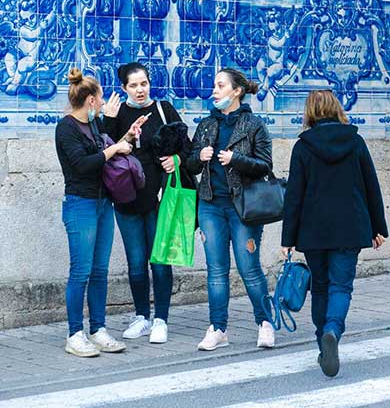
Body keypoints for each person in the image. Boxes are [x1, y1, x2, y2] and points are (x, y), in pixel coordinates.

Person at [281, 89, 388, 378]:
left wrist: (287, 239)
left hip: (313, 231)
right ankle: (333, 330)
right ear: (336, 108)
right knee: (341, 287)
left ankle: (322, 344)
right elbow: (370, 187)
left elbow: (294, 196)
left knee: (321, 287)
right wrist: (378, 228)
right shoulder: (355, 142)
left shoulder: (302, 147)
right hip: (350, 227)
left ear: (310, 113)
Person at [103, 62, 191, 344]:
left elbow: (187, 148)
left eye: (144, 84)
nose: (140, 90)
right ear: (123, 88)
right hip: (126, 200)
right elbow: (105, 153)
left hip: (159, 199)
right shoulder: (117, 114)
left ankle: (161, 319)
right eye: (133, 85)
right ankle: (142, 316)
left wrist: (176, 159)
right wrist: (114, 125)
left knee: (160, 261)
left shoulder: (164, 110)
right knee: (136, 263)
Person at [187, 68, 275, 351]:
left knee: (249, 267)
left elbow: (265, 166)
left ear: (236, 91)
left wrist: (236, 159)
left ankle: (265, 323)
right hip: (210, 205)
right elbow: (189, 163)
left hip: (243, 207)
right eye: (214, 85)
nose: (214, 90)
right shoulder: (205, 125)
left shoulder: (254, 125)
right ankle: (218, 328)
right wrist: (198, 157)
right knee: (216, 270)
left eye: (220, 85)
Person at [55, 68, 133, 357]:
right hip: (80, 204)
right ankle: (75, 333)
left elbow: (105, 149)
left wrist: (124, 138)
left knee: (100, 271)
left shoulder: (95, 124)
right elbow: (83, 164)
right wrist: (114, 151)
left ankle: (98, 329)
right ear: (89, 100)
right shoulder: (66, 128)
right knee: (80, 272)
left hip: (103, 204)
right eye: (99, 99)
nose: (102, 104)